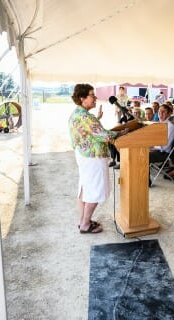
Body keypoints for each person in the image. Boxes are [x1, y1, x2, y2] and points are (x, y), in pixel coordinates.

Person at [68, 84, 127, 233]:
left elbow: (92, 130)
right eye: (92, 95)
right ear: (82, 98)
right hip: (93, 157)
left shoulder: (78, 114)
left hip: (84, 155)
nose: (95, 98)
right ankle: (86, 225)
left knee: (85, 188)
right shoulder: (85, 117)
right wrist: (122, 132)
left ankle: (83, 220)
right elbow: (104, 135)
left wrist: (97, 119)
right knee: (95, 190)